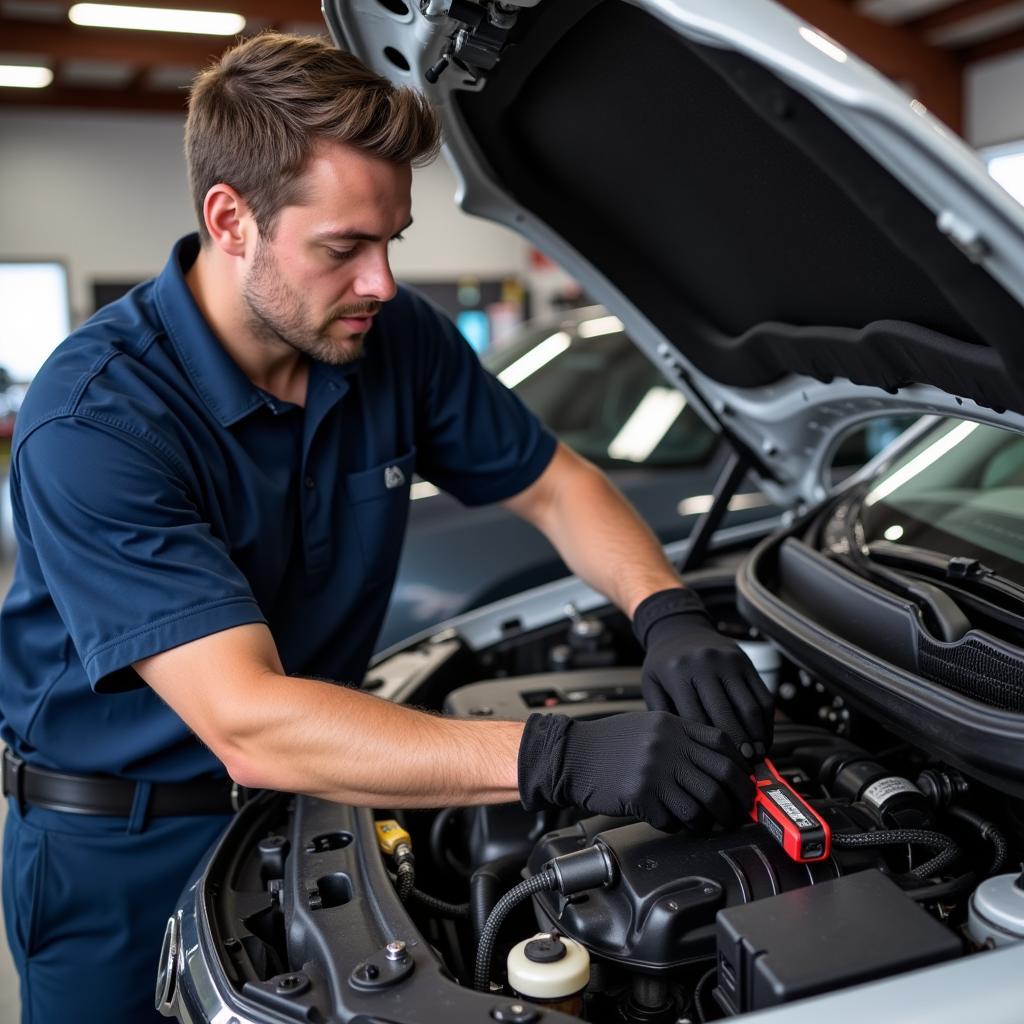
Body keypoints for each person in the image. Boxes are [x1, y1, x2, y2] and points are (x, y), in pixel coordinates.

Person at [0, 31, 773, 1023]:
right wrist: (557, 757)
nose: (381, 283)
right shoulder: (98, 420)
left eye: (391, 241)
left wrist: (664, 609)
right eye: (343, 248)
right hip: (121, 854)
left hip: (312, 806)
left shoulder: (388, 339)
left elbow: (555, 484)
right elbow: (246, 720)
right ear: (231, 220)